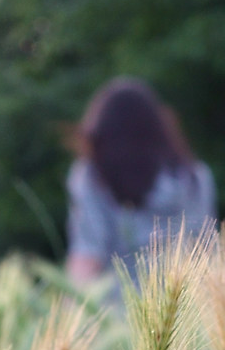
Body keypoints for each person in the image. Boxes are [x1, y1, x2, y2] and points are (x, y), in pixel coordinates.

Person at [65, 78, 215, 287]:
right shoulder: (195, 177)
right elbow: (206, 252)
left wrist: (70, 311)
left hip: (112, 313)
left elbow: (88, 256)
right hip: (189, 309)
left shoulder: (91, 178)